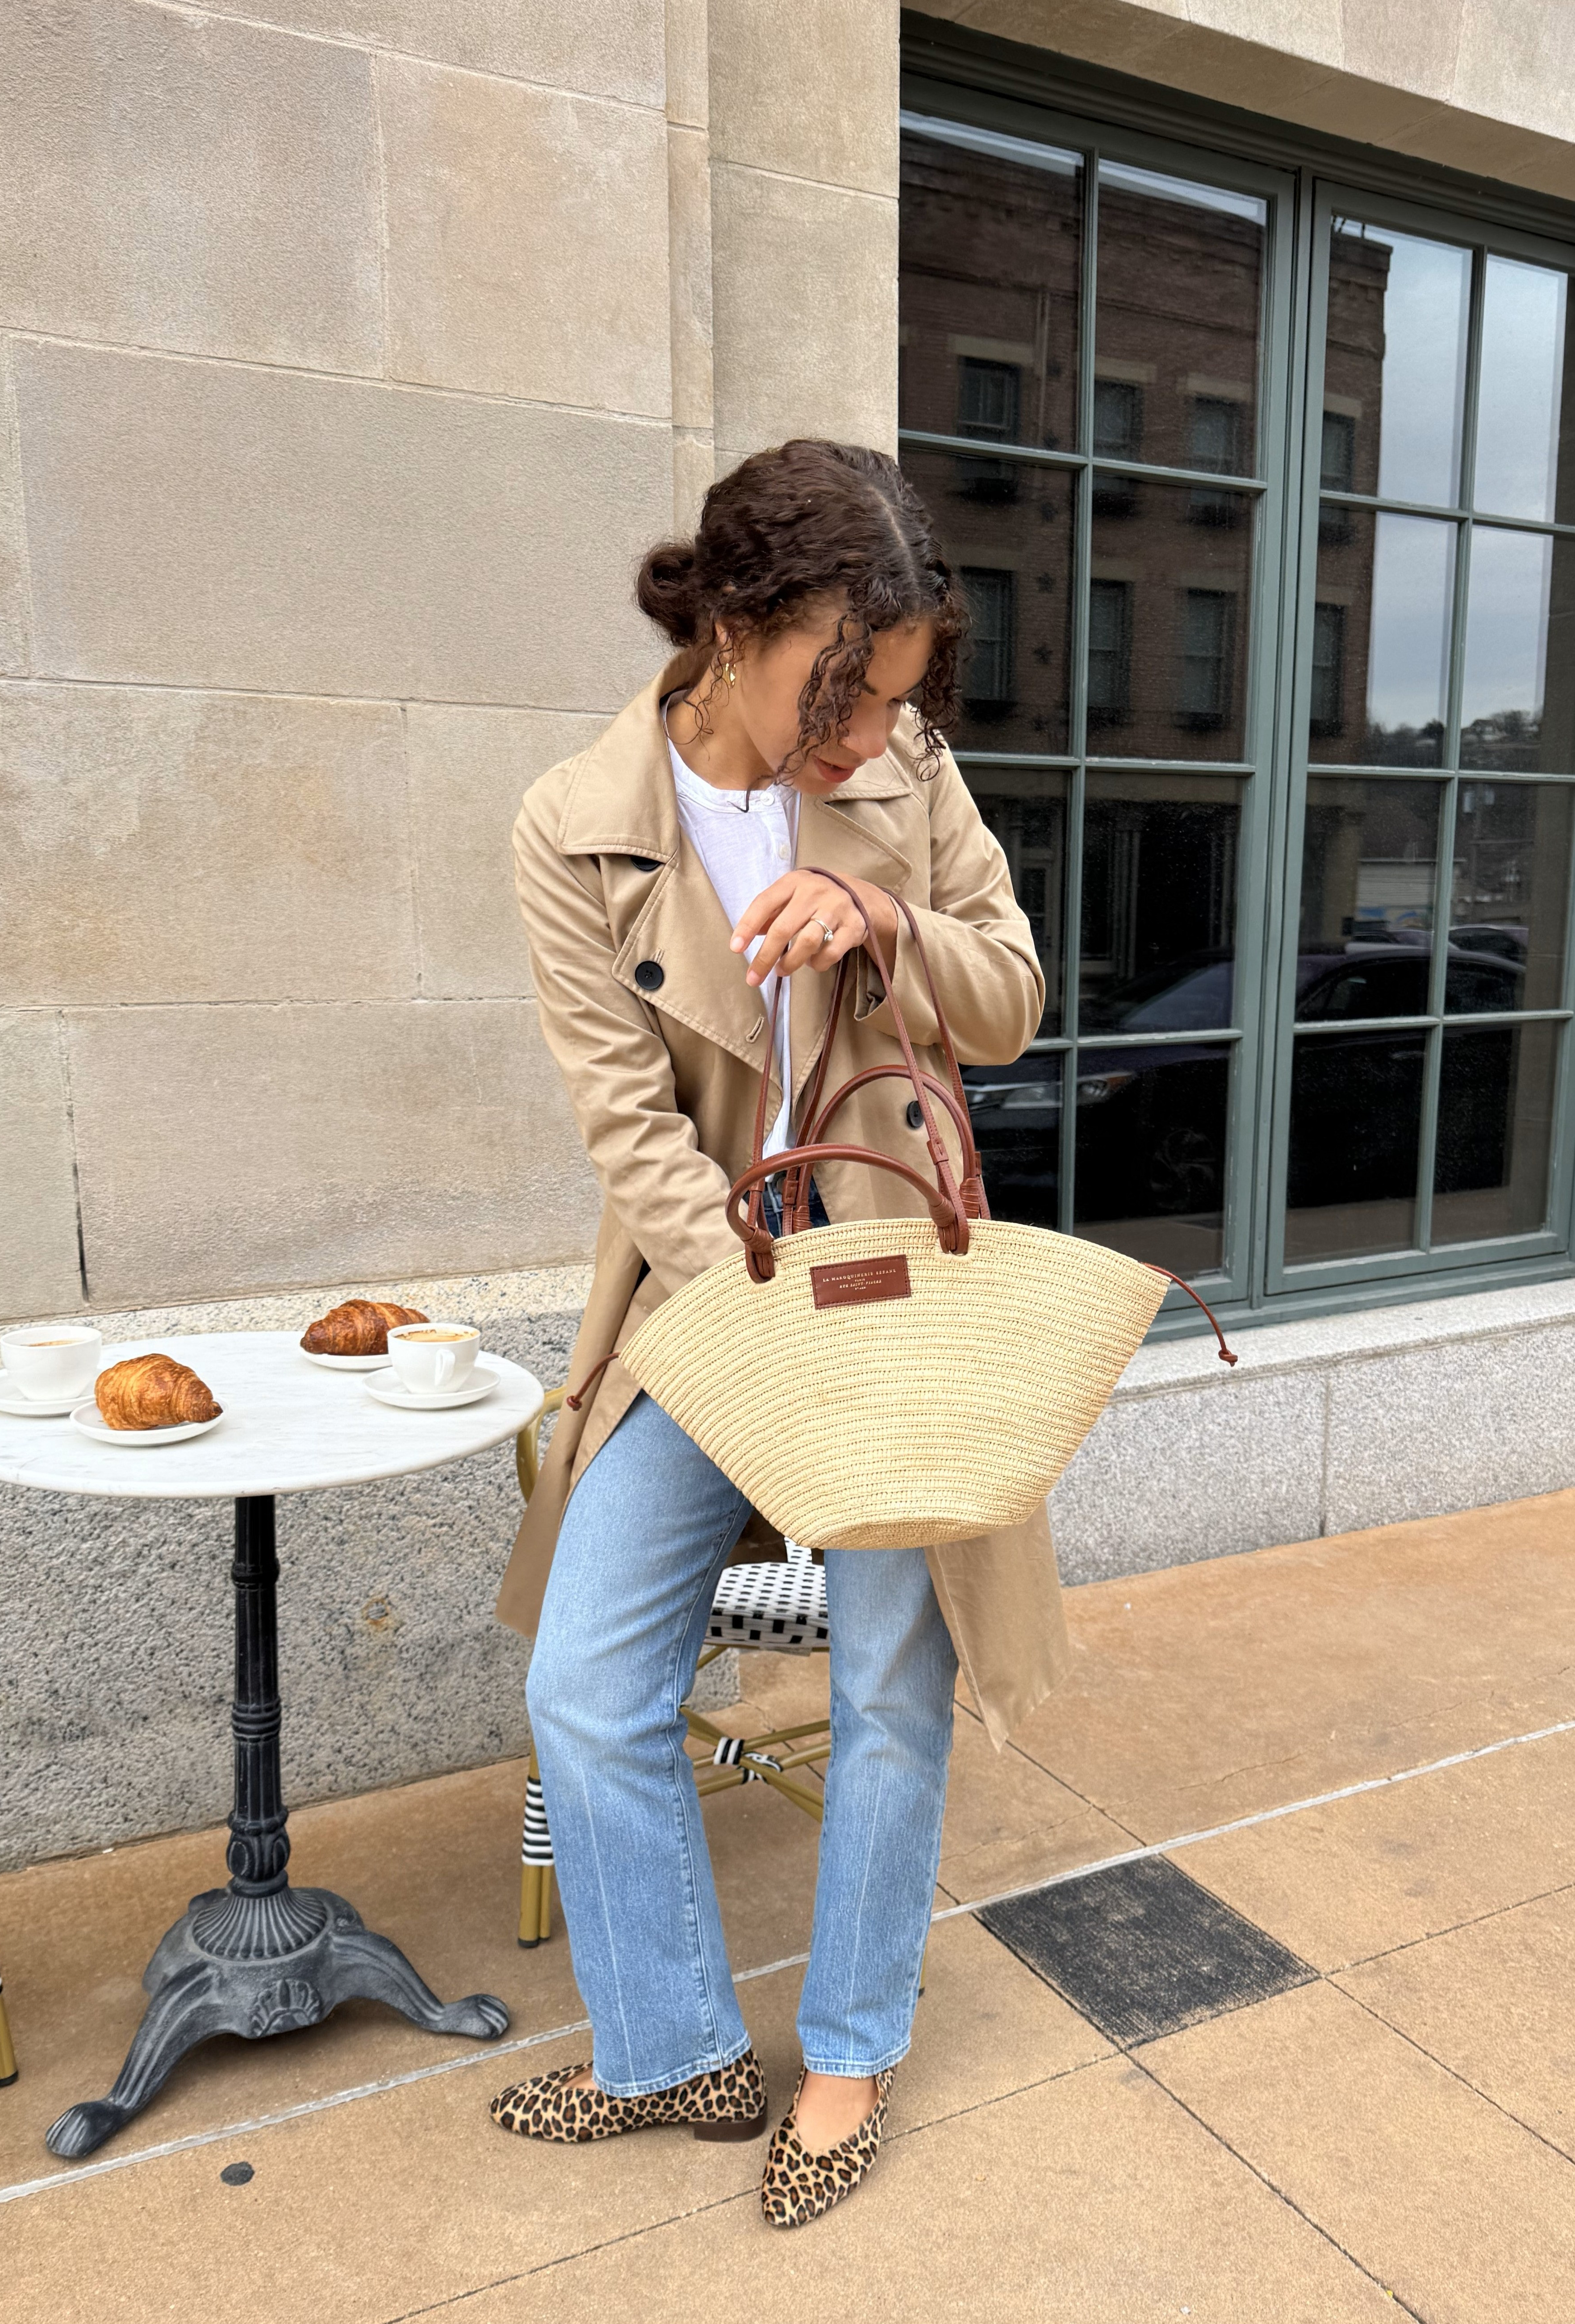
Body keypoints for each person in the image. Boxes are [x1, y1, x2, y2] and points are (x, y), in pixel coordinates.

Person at [489, 439, 1068, 2228]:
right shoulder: (574, 822)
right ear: (728, 626)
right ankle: (670, 2052)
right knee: (584, 1681)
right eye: (836, 697)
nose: (863, 738)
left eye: (888, 700)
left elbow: (1018, 1004)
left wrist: (887, 915)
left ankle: (845, 2055)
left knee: (893, 1685)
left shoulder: (908, 775)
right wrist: (764, 1327)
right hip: (712, 1302)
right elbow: (631, 1133)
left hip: (905, 1291)